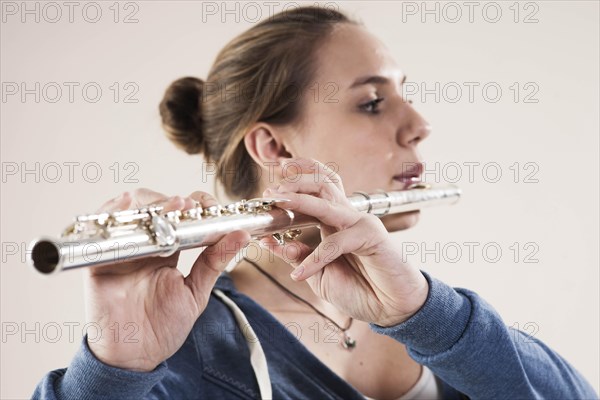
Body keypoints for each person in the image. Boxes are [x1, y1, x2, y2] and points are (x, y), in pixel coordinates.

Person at [33, 6, 597, 400]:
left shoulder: (420, 307)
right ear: (273, 146)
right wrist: (112, 371)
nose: (420, 126)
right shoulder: (191, 338)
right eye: (373, 103)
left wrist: (425, 313)